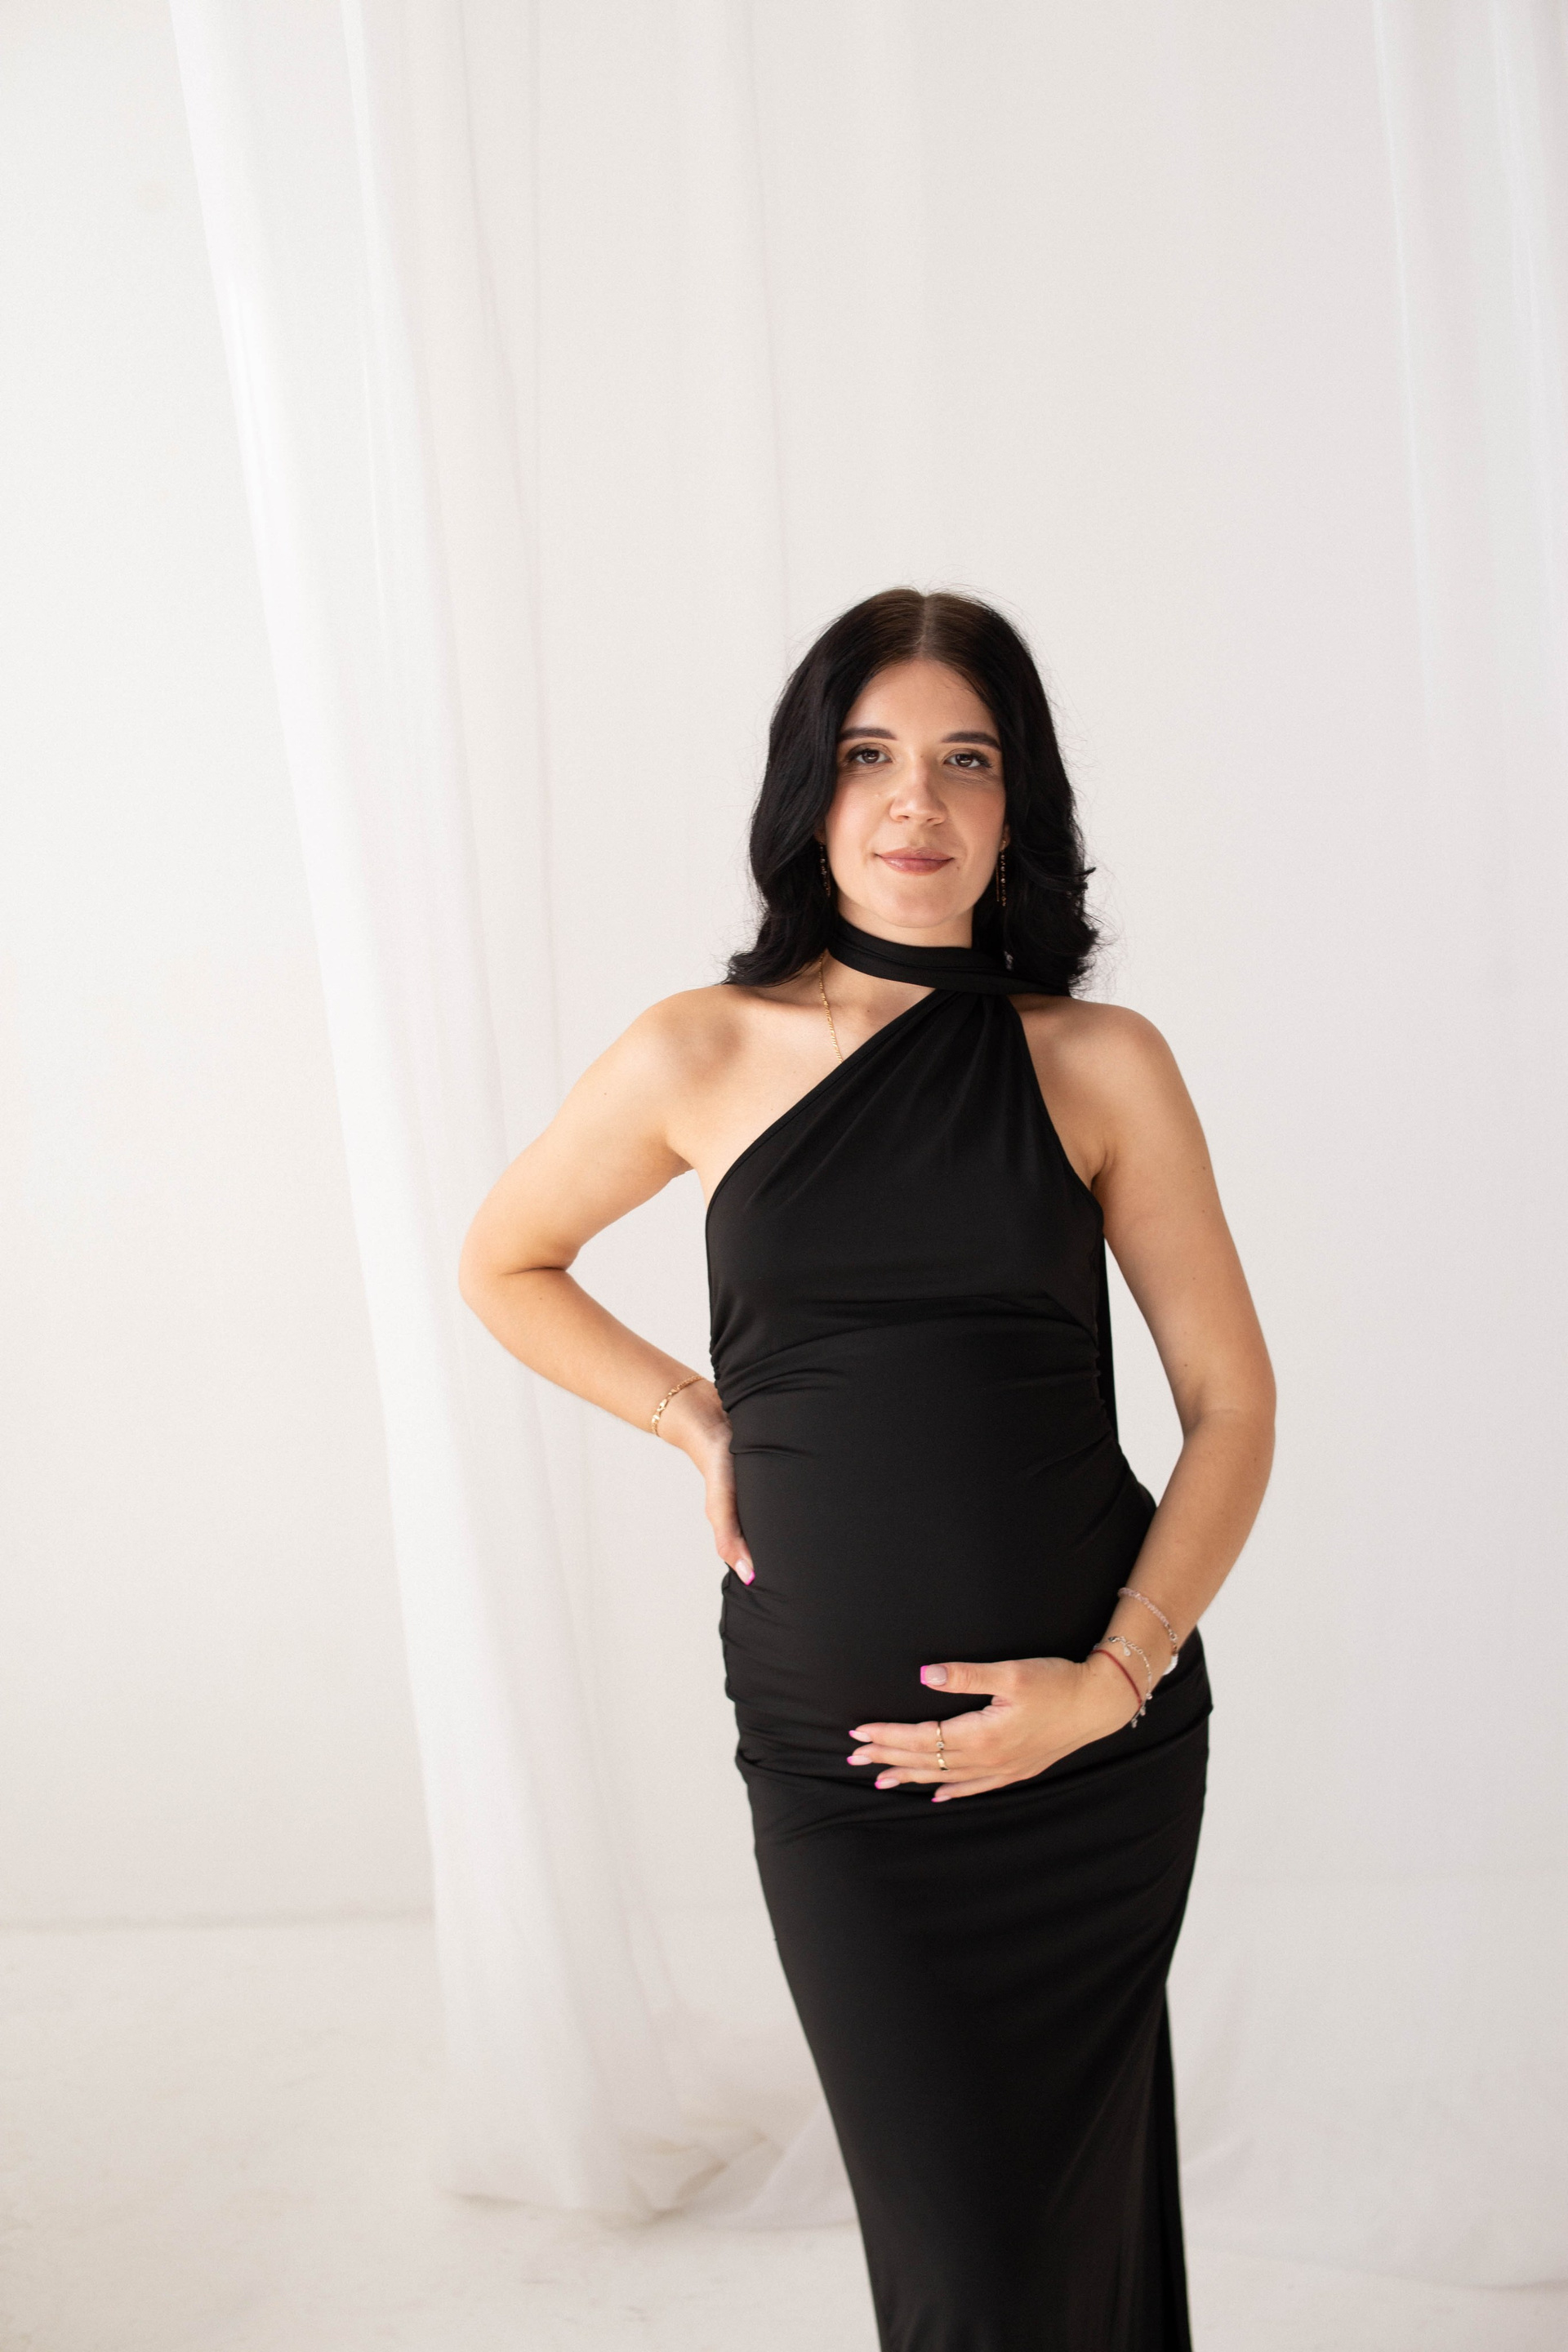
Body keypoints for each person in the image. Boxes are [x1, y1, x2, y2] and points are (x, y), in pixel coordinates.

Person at [459, 586, 1276, 2351]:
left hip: (1098, 1755)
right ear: (810, 794)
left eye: (967, 760)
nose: (918, 801)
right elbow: (505, 1262)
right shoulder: (696, 1049)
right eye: (870, 756)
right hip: (845, 1771)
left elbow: (1231, 1404)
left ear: (1017, 801)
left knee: (1072, 2220)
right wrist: (691, 1412)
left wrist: (1111, 1683)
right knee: (967, 2264)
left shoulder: (1099, 1063)